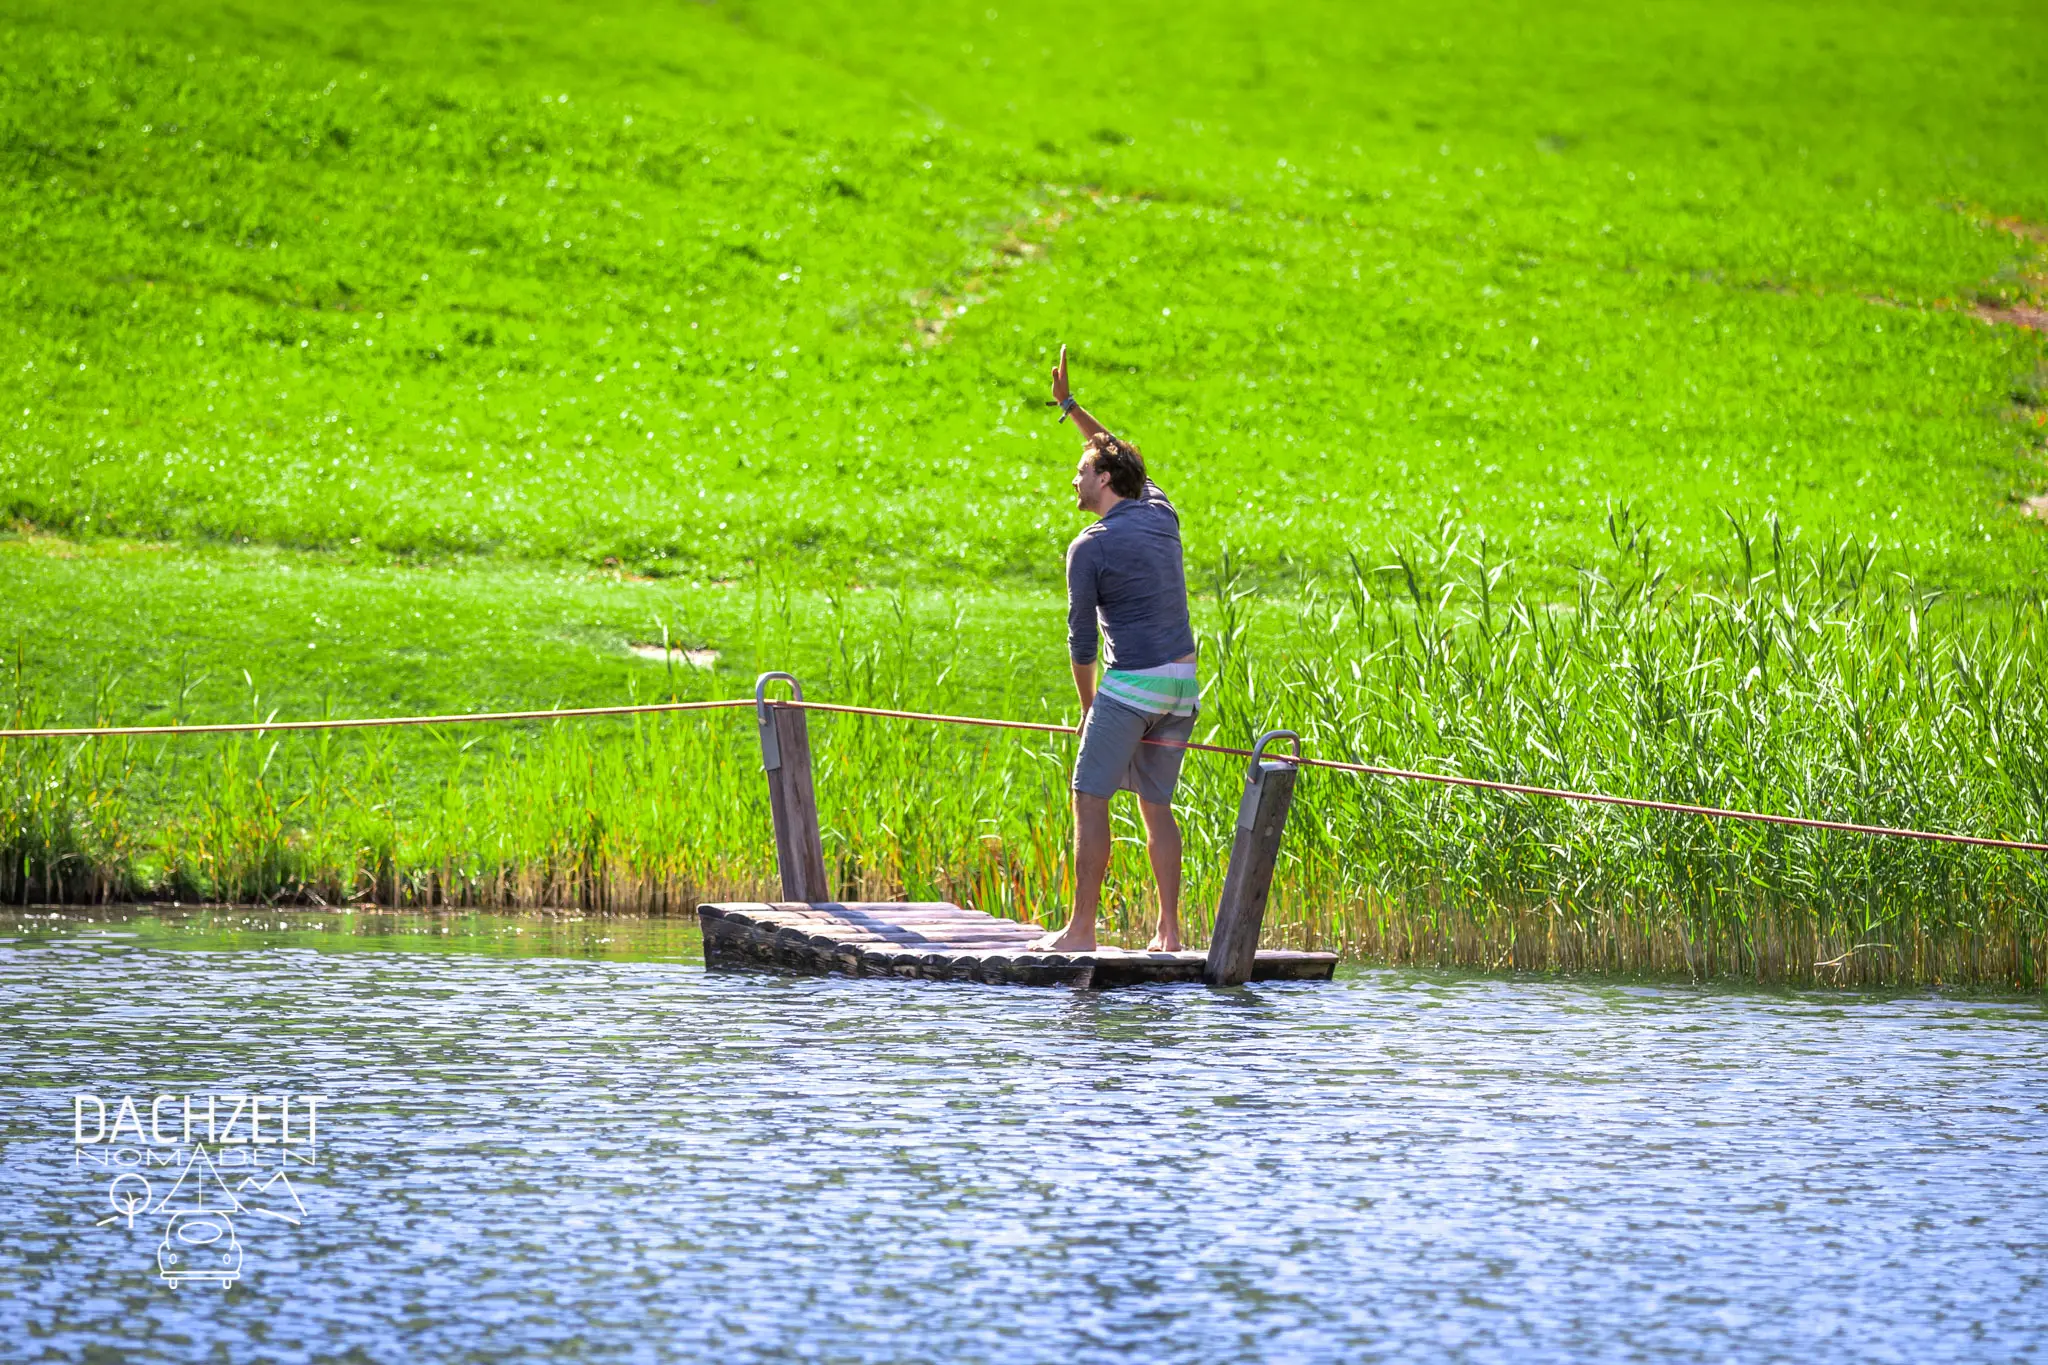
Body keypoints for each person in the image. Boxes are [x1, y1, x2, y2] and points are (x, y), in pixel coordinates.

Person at [1031, 345, 1199, 954]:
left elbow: (1081, 642)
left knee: (1088, 794)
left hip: (1134, 687)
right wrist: (1070, 407)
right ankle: (1169, 932)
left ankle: (1081, 931)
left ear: (1103, 481)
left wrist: (1088, 708)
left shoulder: (1089, 545)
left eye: (1081, 471)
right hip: (1182, 687)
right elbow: (1121, 455)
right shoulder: (1160, 511)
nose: (1074, 479)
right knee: (1156, 805)